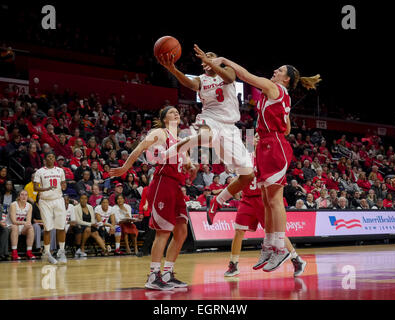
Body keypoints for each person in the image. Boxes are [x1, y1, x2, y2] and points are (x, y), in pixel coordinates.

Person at [208, 55, 320, 271]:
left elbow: (246, 76)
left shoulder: (273, 87)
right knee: (268, 201)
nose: (275, 72)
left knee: (275, 201)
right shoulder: (278, 95)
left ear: (286, 79)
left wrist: (225, 61)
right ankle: (269, 246)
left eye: (279, 71)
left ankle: (280, 248)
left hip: (274, 146)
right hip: (267, 144)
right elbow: (287, 128)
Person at [158, 45, 255, 226]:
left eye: (209, 57)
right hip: (210, 119)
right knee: (205, 137)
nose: (206, 60)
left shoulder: (227, 71)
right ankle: (168, 153)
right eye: (204, 59)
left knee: (248, 175)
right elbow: (189, 83)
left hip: (230, 128)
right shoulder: (201, 80)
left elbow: (229, 77)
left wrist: (211, 60)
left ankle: (217, 202)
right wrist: (172, 69)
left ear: (217, 60)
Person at [110, 106, 197, 290]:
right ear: (164, 118)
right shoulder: (160, 132)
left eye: (177, 111)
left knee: (181, 231)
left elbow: (188, 165)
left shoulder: (181, 140)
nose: (176, 113)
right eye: (172, 111)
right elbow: (140, 148)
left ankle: (167, 273)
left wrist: (192, 168)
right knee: (163, 231)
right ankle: (153, 276)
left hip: (176, 187)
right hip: (162, 183)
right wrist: (126, 167)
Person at [225, 137, 305, 277]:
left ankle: (296, 259)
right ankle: (233, 264)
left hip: (262, 199)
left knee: (274, 232)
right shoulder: (244, 156)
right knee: (238, 231)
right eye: (254, 137)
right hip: (247, 199)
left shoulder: (266, 155)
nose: (256, 139)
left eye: (258, 137)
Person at [34, 151, 68, 264]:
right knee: (48, 228)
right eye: (49, 157)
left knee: (61, 226)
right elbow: (35, 187)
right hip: (45, 201)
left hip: (58, 199)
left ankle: (61, 251)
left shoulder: (60, 170)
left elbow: (64, 183)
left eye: (53, 157)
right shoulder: (40, 171)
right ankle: (47, 252)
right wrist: (47, 189)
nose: (51, 158)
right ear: (45, 159)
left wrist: (64, 186)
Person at [6, 190, 35, 260]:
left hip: (21, 225)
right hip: (10, 225)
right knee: (15, 227)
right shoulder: (13, 205)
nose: (24, 196)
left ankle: (29, 251)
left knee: (30, 228)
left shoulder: (29, 206)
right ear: (19, 197)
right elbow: (13, 221)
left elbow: (28, 221)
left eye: (26, 195)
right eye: (22, 195)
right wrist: (24, 224)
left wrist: (25, 227)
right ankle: (14, 252)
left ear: (28, 197)